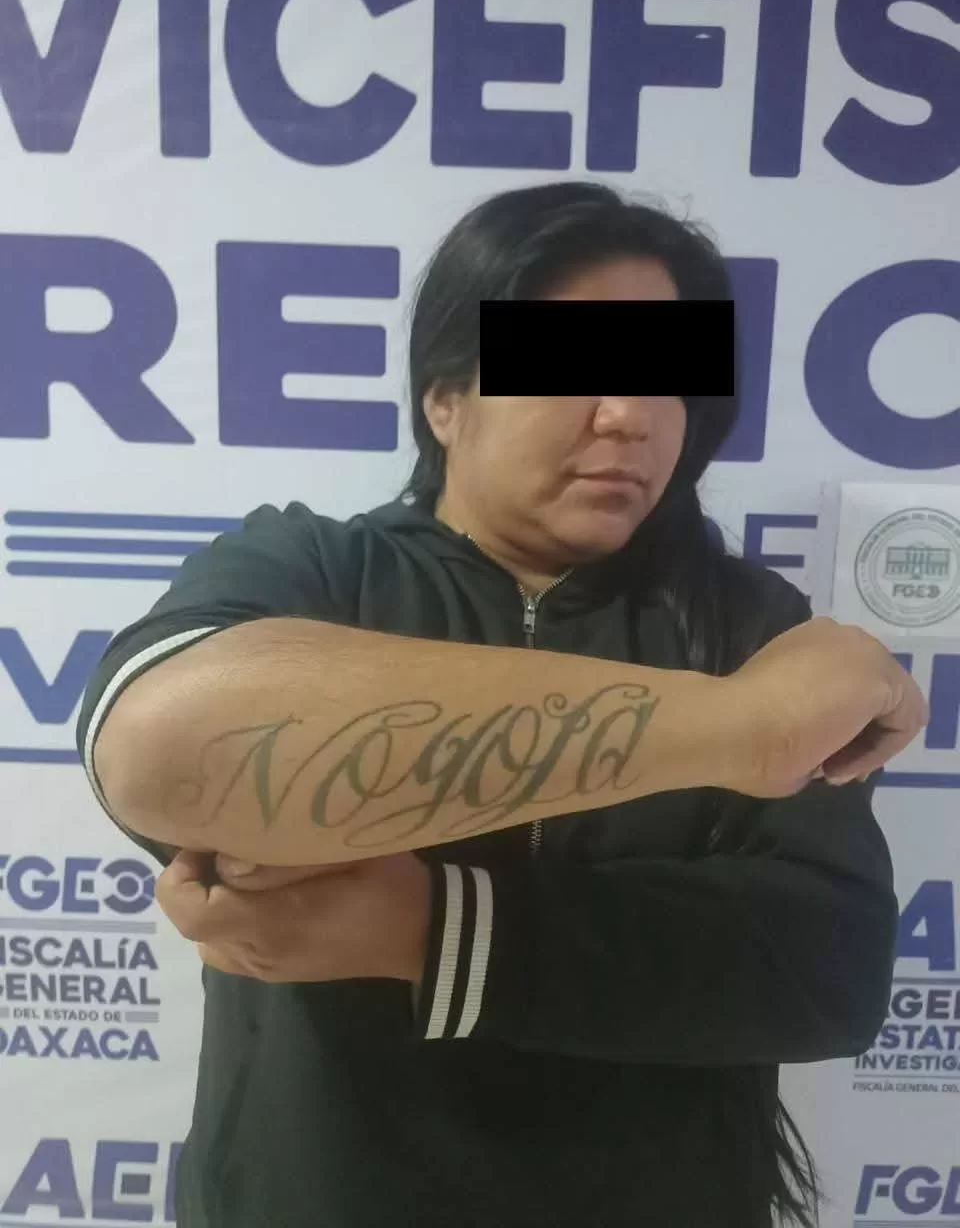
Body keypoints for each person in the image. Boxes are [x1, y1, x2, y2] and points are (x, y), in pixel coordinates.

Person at [76, 182, 927, 1228]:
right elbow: (162, 749)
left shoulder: (754, 626)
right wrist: (745, 729)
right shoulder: (312, 570)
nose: (631, 416)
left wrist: (430, 929)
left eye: (666, 380)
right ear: (446, 398)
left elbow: (827, 965)